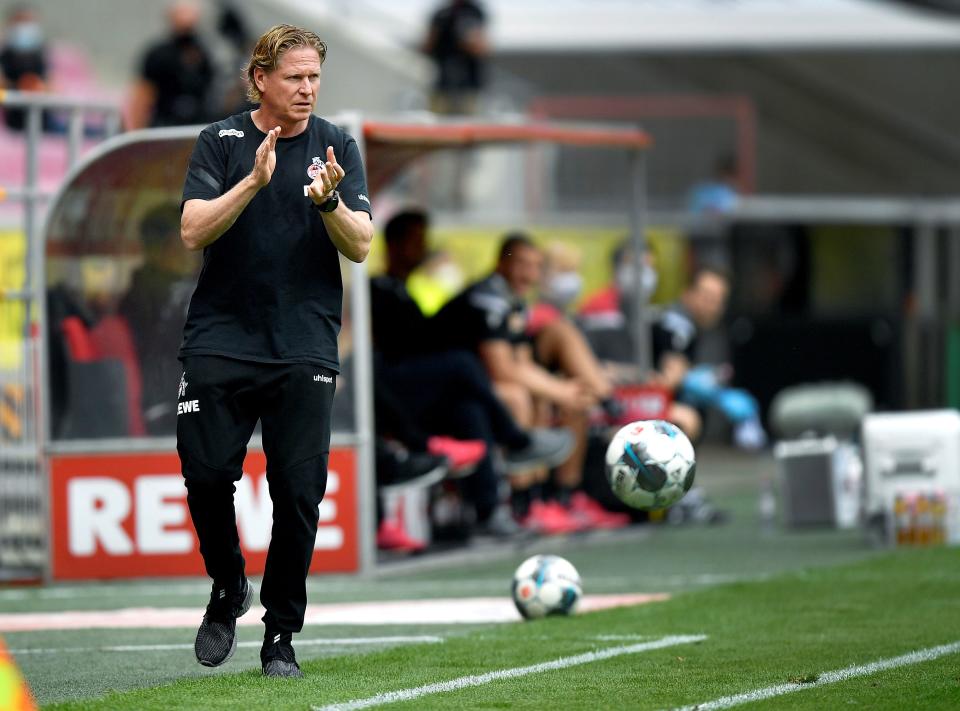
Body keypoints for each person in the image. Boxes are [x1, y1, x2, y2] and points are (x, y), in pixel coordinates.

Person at [177, 24, 373, 678]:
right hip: (221, 338)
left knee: (297, 495)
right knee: (206, 476)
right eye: (294, 77)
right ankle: (229, 584)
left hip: (302, 343)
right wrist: (253, 183)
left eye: (314, 77)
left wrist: (329, 203)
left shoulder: (336, 145)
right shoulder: (222, 141)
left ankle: (280, 633)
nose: (307, 89)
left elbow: (362, 243)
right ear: (260, 78)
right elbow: (191, 229)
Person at [370, 210, 574, 539]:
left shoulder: (410, 291)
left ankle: (489, 511)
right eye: (414, 240)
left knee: (470, 408)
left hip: (420, 390)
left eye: (423, 240)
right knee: (463, 363)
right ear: (393, 244)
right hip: (388, 390)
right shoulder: (376, 289)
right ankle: (517, 440)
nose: (421, 247)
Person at [653, 265, 766, 449]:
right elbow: (668, 380)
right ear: (687, 293)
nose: (711, 305)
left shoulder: (688, 324)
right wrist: (714, 393)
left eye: (717, 300)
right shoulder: (680, 326)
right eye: (706, 296)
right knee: (688, 419)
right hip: (633, 401)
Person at [118, 204, 199, 435]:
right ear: (159, 249)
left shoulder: (142, 293)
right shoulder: (163, 299)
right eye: (185, 241)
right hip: (170, 409)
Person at [128, 1, 214, 129]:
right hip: (164, 126)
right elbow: (143, 95)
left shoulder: (204, 54)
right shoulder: (158, 55)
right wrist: (135, 131)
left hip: (197, 125)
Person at [422, 0, 489, 115]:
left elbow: (480, 47)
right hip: (443, 80)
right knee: (438, 117)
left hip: (469, 82)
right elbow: (428, 45)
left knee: (469, 118)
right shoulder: (442, 13)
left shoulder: (474, 12)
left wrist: (468, 41)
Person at [0, 4, 50, 130]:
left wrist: (43, 87)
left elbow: (53, 87)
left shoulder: (40, 55)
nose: (25, 28)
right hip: (15, 121)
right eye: (22, 21)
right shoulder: (5, 56)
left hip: (44, 122)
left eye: (29, 22)